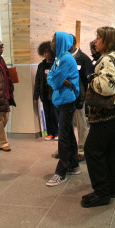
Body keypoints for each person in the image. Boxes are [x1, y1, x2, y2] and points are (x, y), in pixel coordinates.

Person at [82, 26, 115, 208]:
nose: (95, 41)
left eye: (98, 37)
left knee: (92, 150)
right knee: (109, 149)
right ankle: (114, 188)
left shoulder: (108, 59)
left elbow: (106, 87)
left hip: (106, 113)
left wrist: (90, 78)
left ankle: (101, 193)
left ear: (106, 41)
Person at [46, 32, 80, 186]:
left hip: (67, 101)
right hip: (61, 100)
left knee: (63, 136)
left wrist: (56, 80)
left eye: (54, 40)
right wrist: (55, 79)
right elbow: (50, 78)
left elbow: (56, 79)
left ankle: (61, 172)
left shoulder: (66, 58)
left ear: (61, 42)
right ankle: (73, 165)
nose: (51, 43)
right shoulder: (59, 59)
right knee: (68, 133)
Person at [69, 35, 92, 162]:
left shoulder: (83, 58)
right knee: (67, 124)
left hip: (79, 97)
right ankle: (70, 148)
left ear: (72, 43)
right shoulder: (65, 57)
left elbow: (88, 80)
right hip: (67, 98)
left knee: (81, 124)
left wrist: (84, 97)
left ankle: (82, 149)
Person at [33, 41, 58, 141]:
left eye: (47, 52)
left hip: (53, 94)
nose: (45, 54)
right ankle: (49, 133)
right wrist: (36, 96)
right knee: (46, 113)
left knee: (54, 113)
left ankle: (57, 132)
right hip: (44, 94)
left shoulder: (56, 64)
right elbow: (37, 81)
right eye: (44, 52)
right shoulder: (41, 66)